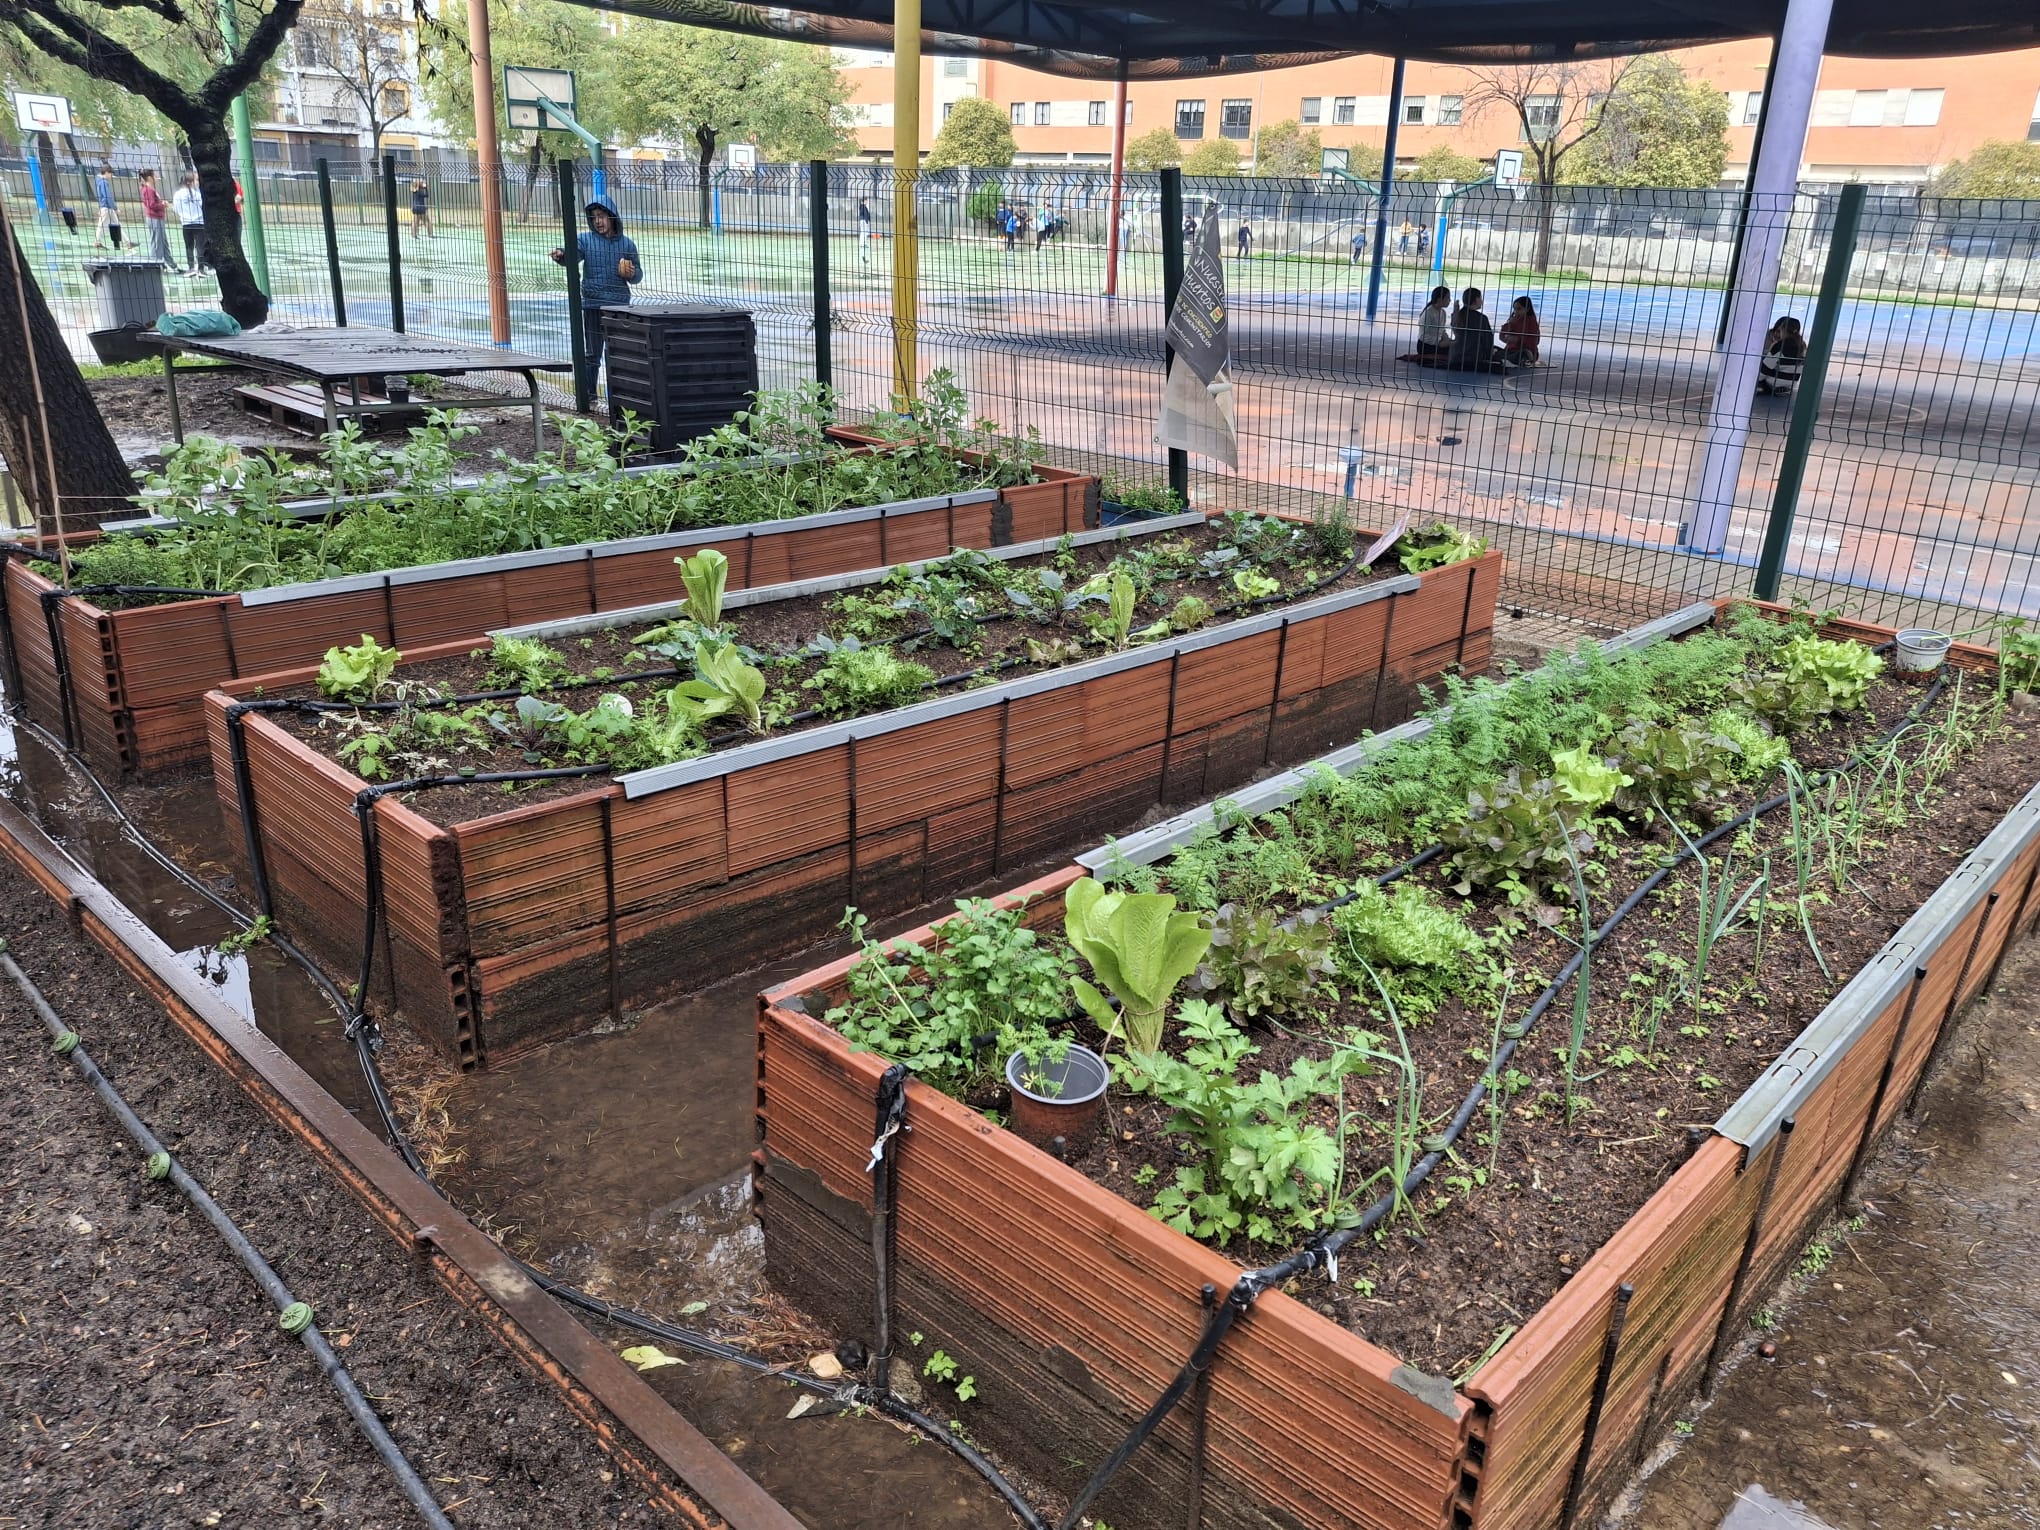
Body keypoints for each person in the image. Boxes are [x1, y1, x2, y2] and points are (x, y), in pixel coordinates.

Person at [550, 198, 643, 387]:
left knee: (619, 353)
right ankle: (590, 394)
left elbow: (638, 276)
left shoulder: (627, 245)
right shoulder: (585, 240)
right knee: (592, 354)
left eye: (601, 216)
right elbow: (572, 256)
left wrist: (632, 273)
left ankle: (620, 393)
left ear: (612, 216)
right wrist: (562, 255)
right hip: (593, 305)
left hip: (618, 307)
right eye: (593, 218)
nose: (597, 221)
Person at [1447, 287, 1510, 372]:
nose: (1482, 301)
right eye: (1480, 298)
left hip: (1455, 357)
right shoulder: (1481, 318)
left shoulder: (1457, 315)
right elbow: (1488, 341)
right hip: (1474, 359)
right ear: (1476, 299)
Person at [1758, 316, 1806, 396]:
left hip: (1774, 381)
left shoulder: (1780, 345)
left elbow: (1765, 368)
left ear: (1783, 330)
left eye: (1779, 330)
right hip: (1792, 382)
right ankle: (1782, 389)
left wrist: (1755, 379)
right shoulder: (1802, 346)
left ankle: (1765, 387)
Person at [172, 172, 207, 276]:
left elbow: (176, 209)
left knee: (189, 246)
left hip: (186, 223)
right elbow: (203, 206)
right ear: (190, 182)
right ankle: (201, 269)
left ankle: (191, 268)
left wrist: (183, 215)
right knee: (200, 247)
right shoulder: (197, 194)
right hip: (199, 223)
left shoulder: (178, 194)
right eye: (195, 180)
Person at [138, 168, 174, 271]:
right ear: (150, 178)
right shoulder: (148, 190)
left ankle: (171, 264)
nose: (156, 177)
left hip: (158, 218)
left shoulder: (150, 189)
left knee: (163, 241)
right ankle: (156, 264)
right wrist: (163, 204)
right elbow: (151, 205)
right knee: (157, 242)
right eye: (155, 176)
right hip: (154, 218)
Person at [1500, 296, 1541, 366]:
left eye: (1519, 309)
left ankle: (1520, 359)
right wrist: (1509, 324)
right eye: (1514, 309)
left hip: (1525, 351)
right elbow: (1502, 336)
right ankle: (1507, 358)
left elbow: (1534, 342)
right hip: (1510, 351)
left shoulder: (1532, 322)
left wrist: (1517, 340)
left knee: (1522, 354)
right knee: (1492, 350)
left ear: (1527, 309)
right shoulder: (1513, 320)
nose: (1516, 312)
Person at [1415, 285, 1452, 362]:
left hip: (1437, 342)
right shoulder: (1428, 313)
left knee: (1457, 347)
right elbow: (1422, 336)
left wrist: (1447, 340)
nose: (1450, 300)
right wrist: (1439, 343)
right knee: (1454, 352)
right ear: (1439, 299)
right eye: (1448, 298)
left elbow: (1442, 330)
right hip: (1426, 345)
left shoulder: (1443, 312)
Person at [92, 166, 121, 250]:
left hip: (106, 207)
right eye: (111, 174)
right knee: (101, 225)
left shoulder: (99, 181)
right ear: (107, 172)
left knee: (116, 224)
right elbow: (107, 196)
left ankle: (128, 242)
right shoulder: (103, 182)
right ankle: (97, 242)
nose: (111, 176)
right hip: (106, 207)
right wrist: (115, 208)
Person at [857, 198, 873, 263]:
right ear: (864, 201)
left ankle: (863, 243)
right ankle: (862, 244)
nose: (867, 202)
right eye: (866, 201)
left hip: (864, 220)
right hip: (864, 220)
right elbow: (865, 214)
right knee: (863, 232)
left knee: (864, 232)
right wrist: (866, 221)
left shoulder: (863, 206)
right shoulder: (863, 206)